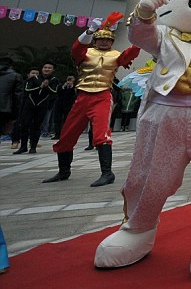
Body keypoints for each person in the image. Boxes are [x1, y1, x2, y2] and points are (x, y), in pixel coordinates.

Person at [44, 18, 139, 186]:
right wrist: (89, 30)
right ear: (95, 41)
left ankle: (107, 173)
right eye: (101, 39)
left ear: (112, 41)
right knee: (67, 134)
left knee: (101, 134)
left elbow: (128, 56)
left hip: (102, 96)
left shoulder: (116, 55)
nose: (104, 42)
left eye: (108, 39)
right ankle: (63, 171)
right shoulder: (86, 53)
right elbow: (76, 49)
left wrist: (139, 36)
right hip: (82, 96)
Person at [13, 62, 59, 155]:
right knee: (24, 125)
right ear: (42, 69)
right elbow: (27, 89)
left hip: (42, 105)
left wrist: (47, 86)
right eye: (45, 67)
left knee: (37, 126)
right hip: (29, 104)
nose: (47, 69)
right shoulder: (35, 78)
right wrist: (40, 86)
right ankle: (23, 146)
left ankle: (33, 146)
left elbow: (54, 91)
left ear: (53, 70)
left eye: (49, 68)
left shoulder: (54, 80)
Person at [0, 58, 24, 142]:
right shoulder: (16, 76)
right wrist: (17, 111)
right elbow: (18, 95)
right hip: (6, 108)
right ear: (11, 65)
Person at [50, 74, 77, 139]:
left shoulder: (75, 87)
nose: (70, 80)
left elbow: (75, 95)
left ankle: (66, 133)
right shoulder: (61, 85)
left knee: (67, 120)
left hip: (69, 105)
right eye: (68, 78)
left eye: (71, 79)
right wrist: (64, 86)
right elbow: (57, 92)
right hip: (59, 104)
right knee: (57, 120)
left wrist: (72, 87)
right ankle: (57, 134)